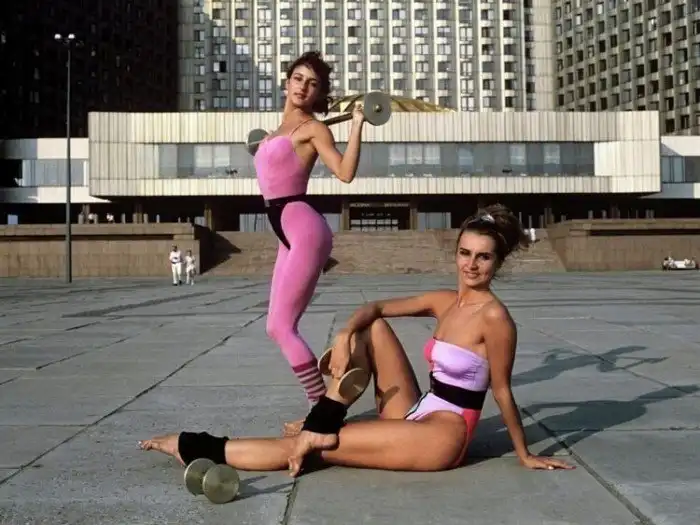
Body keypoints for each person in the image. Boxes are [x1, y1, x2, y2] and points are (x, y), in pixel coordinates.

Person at [139, 204, 575, 476]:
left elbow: (502, 391)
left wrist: (524, 454)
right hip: (418, 410)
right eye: (465, 253)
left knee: (314, 445)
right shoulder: (446, 302)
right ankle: (325, 415)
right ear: (456, 252)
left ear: (498, 262)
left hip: (442, 436)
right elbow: (375, 308)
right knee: (372, 327)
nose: (471, 265)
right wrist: (347, 333)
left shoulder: (496, 318)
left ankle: (195, 446)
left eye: (483, 257)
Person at [253, 51, 366, 419]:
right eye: (299, 78)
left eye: (313, 83)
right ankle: (323, 404)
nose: (303, 87)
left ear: (319, 94)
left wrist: (357, 125)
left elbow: (344, 173)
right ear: (287, 83)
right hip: (284, 230)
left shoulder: (314, 129)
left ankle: (322, 410)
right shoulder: (274, 133)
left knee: (283, 327)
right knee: (274, 326)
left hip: (303, 225)